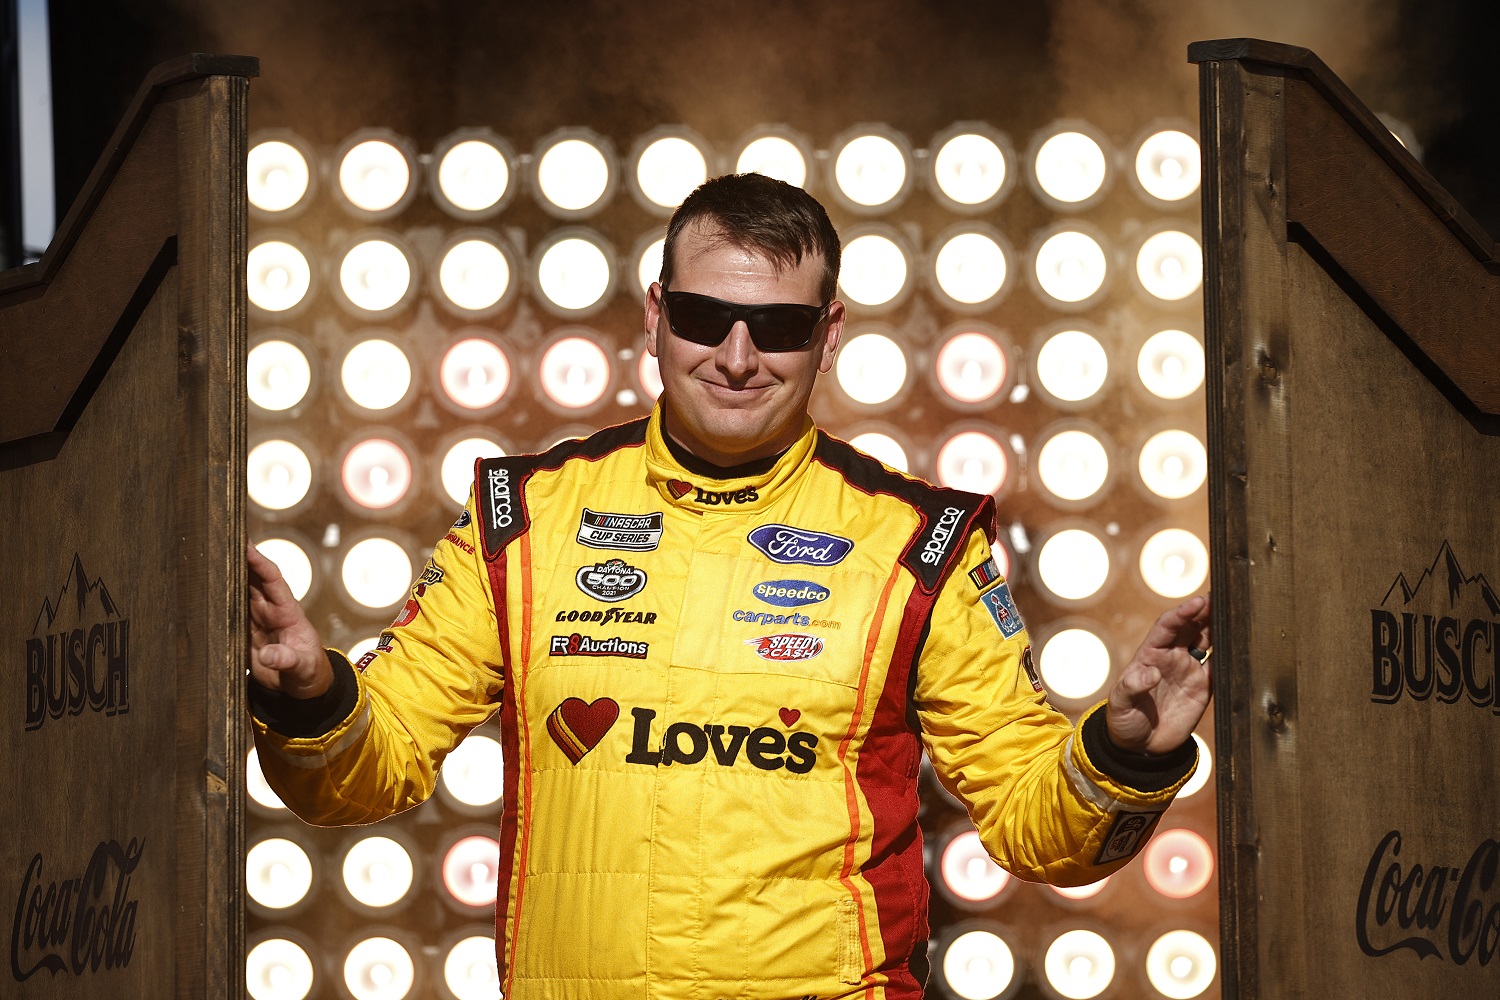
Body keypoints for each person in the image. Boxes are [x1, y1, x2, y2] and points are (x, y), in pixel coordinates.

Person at [247, 173, 1212, 1000]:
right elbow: (368, 771)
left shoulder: (919, 543)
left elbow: (1038, 831)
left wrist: (1122, 759)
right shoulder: (526, 517)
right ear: (657, 314)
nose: (738, 357)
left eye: (779, 326)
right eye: (707, 317)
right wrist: (310, 696)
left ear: (830, 333)